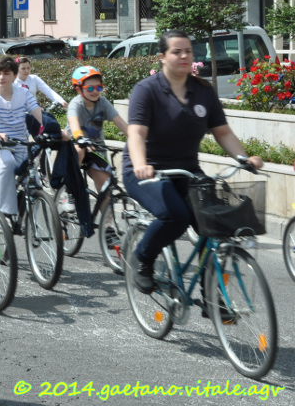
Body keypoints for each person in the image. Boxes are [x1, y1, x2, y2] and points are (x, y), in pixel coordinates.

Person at [124, 30, 262, 294]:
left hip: (187, 171)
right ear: (162, 57)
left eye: (188, 50)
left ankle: (212, 293)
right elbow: (137, 133)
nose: (184, 56)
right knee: (176, 216)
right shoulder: (147, 90)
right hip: (146, 171)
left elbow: (222, 131)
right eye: (176, 51)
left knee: (217, 224)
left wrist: (243, 158)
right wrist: (141, 164)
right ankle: (143, 258)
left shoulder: (203, 91)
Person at [0, 56, 43, 227]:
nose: (1, 77)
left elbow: (38, 113)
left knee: (34, 183)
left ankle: (31, 221)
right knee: (7, 163)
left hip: (20, 141)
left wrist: (53, 129)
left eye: (6, 73)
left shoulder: (23, 93)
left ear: (14, 76)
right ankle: (4, 214)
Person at [67, 65, 129, 193]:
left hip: (96, 148)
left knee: (106, 190)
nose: (95, 91)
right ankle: (70, 191)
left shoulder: (103, 102)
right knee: (79, 150)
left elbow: (121, 123)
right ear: (79, 89)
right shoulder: (76, 104)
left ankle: (107, 212)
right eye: (90, 88)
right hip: (78, 143)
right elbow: (73, 123)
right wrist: (79, 137)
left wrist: (137, 139)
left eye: (99, 87)